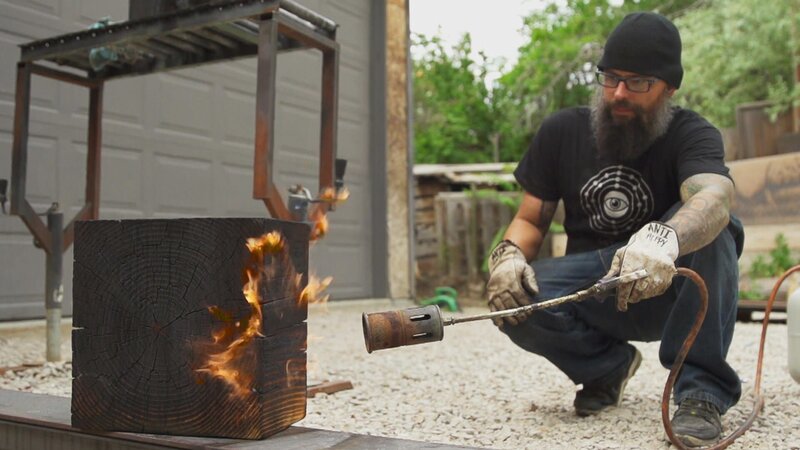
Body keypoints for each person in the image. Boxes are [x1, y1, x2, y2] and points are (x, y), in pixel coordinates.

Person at [485, 11, 744, 448]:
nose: (619, 94)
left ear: (670, 88)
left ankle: (702, 393)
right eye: (610, 77)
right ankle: (605, 367)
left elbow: (714, 196)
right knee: (511, 297)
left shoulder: (692, 133)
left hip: (673, 285)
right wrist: (508, 256)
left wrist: (664, 239)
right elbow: (531, 219)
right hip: (596, 286)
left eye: (639, 82)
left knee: (719, 227)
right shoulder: (561, 130)